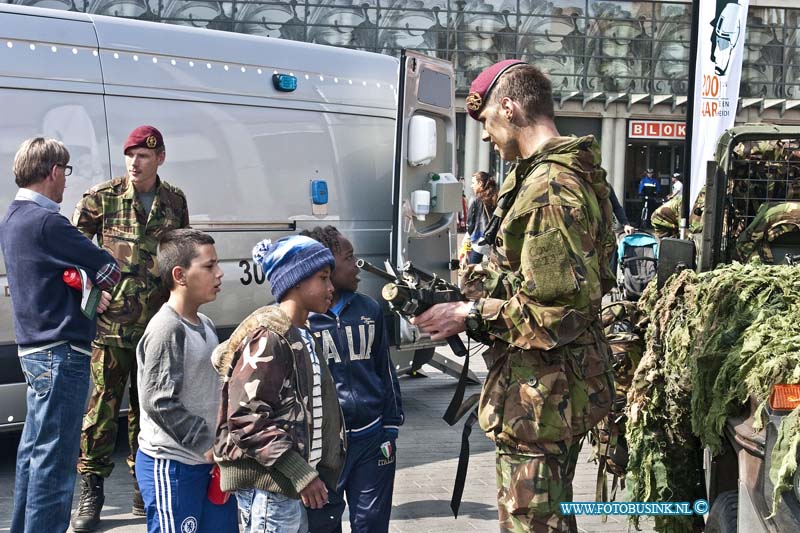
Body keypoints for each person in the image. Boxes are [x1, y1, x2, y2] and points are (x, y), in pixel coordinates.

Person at [412, 60, 615, 532]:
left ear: (509, 107)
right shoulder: (559, 174)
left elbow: (557, 311)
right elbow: (548, 283)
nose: (486, 136)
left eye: (487, 123)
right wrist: (478, 284)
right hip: (552, 392)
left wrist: (469, 315)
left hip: (541, 398)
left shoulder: (547, 189)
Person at [71, 125, 190, 532]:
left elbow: (181, 257)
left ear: (160, 158)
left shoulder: (174, 201)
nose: (135, 162)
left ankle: (144, 490)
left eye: (143, 155)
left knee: (147, 412)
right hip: (110, 328)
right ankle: (91, 493)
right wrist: (87, 287)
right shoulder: (101, 198)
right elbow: (69, 249)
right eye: (130, 155)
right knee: (101, 412)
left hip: (156, 328)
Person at [0, 137, 120, 533]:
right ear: (53, 172)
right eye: (65, 172)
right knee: (56, 462)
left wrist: (74, 278)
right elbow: (109, 269)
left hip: (32, 350)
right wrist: (86, 282)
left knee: (33, 453)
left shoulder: (12, 218)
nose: (66, 181)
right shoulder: (51, 222)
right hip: (62, 351)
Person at [211, 235, 345, 533]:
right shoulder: (272, 337)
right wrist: (300, 473)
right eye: (323, 278)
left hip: (287, 487)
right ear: (295, 281)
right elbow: (246, 418)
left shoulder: (302, 333)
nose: (331, 288)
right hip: (271, 489)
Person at [134, 229, 238, 533]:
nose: (219, 274)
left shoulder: (204, 323)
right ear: (179, 274)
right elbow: (158, 401)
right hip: (173, 468)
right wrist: (205, 442)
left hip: (206, 464)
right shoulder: (168, 329)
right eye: (209, 266)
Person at [301, 226, 403, 533]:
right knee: (324, 524)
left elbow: (385, 370)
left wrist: (390, 425)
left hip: (372, 439)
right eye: (349, 257)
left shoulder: (369, 309)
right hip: (324, 449)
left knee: (371, 524)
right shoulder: (302, 321)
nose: (357, 264)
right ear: (326, 265)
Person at [466, 171, 498, 264]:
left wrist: (468, 237)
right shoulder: (496, 197)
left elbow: (470, 222)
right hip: (493, 238)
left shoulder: (475, 199)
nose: (471, 186)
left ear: (480, 183)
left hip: (479, 238)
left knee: (472, 268)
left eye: (473, 183)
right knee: (493, 268)